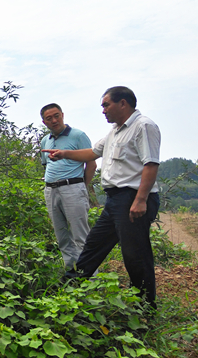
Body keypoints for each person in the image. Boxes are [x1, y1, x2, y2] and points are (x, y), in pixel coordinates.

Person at [43, 86, 160, 309]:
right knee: (93, 244)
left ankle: (145, 306)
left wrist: (140, 200)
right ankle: (71, 290)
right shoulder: (115, 132)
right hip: (115, 200)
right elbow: (92, 153)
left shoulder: (143, 126)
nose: (103, 110)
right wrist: (64, 154)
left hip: (133, 198)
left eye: (106, 105)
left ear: (123, 103)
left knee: (135, 254)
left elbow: (151, 163)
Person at [39, 103, 97, 272]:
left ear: (63, 115)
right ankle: (71, 272)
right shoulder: (45, 140)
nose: (54, 120)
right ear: (44, 122)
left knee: (81, 235)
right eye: (49, 118)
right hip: (50, 190)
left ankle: (89, 275)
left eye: (56, 116)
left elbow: (91, 164)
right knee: (62, 235)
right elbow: (46, 164)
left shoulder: (78, 136)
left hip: (72, 188)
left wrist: (81, 186)